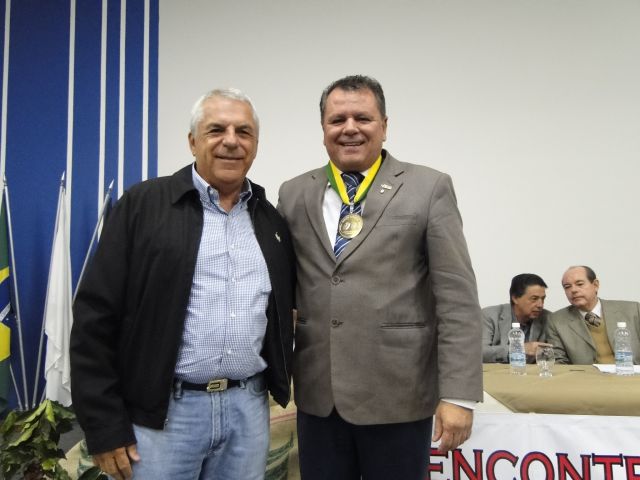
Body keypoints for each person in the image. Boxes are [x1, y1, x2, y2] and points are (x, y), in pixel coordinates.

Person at [70, 88, 295, 480]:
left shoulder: (270, 221)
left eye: (243, 131)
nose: (231, 141)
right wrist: (104, 425)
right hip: (164, 416)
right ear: (192, 141)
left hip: (248, 410)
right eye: (216, 130)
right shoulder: (143, 206)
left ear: (255, 145)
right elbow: (95, 317)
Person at [277, 75, 482, 480]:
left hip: (398, 396)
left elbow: (457, 299)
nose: (350, 128)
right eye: (337, 120)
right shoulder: (293, 193)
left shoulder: (428, 187)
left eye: (363, 118)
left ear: (384, 126)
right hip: (319, 398)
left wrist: (459, 395)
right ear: (323, 129)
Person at [546, 265, 640, 364]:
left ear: (595, 285)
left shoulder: (633, 310)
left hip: (631, 372)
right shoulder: (556, 321)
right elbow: (559, 362)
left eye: (579, 284)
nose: (573, 290)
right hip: (586, 374)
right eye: (567, 287)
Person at [482, 273, 552, 363]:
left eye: (543, 299)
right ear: (515, 298)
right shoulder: (489, 315)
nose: (540, 305)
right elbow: (479, 352)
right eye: (534, 299)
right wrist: (518, 349)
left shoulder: (548, 318)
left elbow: (554, 354)